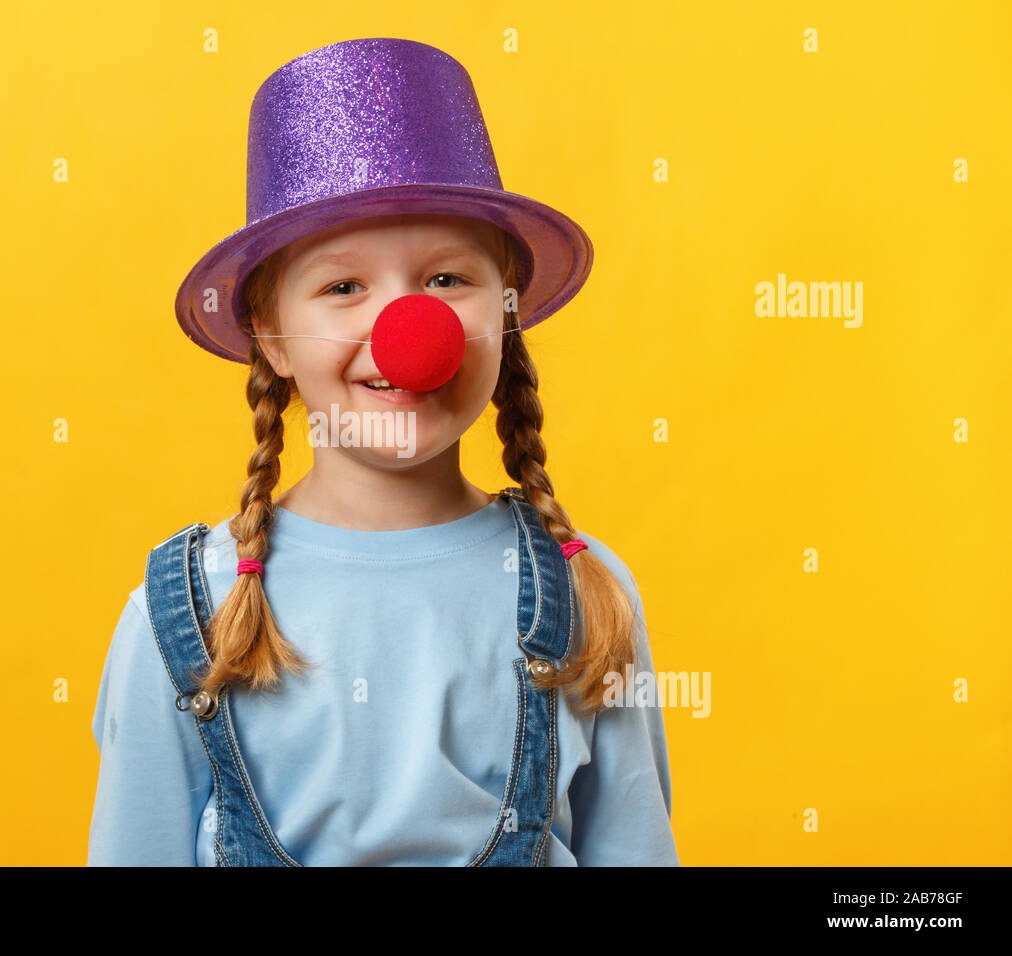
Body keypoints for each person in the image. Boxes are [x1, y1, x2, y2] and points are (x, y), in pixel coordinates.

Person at [88, 37, 677, 866]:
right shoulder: (189, 613)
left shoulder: (589, 593)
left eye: (446, 281)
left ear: (505, 313)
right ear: (273, 337)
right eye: (342, 287)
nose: (408, 333)